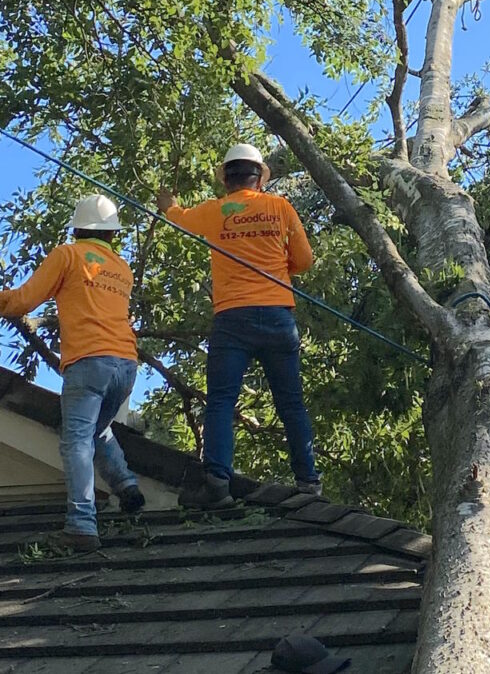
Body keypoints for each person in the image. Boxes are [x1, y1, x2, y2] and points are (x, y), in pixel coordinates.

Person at [157, 143, 320, 508]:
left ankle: (217, 483)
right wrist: (277, 269)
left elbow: (180, 218)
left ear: (227, 180)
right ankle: (308, 483)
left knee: (221, 401)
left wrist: (168, 204)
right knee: (291, 402)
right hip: (278, 315)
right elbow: (305, 261)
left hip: (232, 319)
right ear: (259, 178)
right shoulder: (279, 207)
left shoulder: (217, 210)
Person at [0, 194, 144, 553]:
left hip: (89, 360)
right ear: (112, 233)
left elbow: (22, 301)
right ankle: (126, 486)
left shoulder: (68, 255)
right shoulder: (121, 269)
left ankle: (81, 523)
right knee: (96, 428)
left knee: (76, 438)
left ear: (78, 228)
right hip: (126, 365)